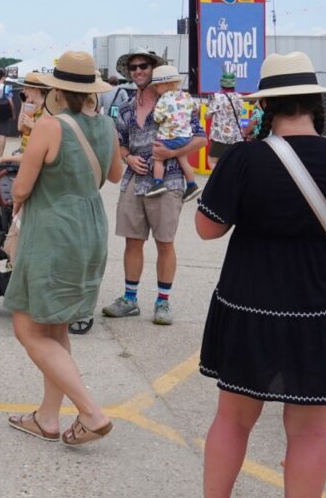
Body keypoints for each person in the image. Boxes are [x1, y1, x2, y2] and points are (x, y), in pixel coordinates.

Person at [195, 51, 326, 498]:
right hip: (324, 311)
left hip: (250, 306)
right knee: (307, 435)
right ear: (315, 104)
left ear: (267, 106)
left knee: (232, 420)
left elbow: (208, 229)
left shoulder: (243, 160)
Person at [3, 50, 124, 447]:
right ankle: (47, 418)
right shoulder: (107, 125)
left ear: (57, 89)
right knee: (54, 327)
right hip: (90, 227)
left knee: (27, 328)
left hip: (54, 230)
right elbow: (115, 173)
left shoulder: (50, 126)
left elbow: (20, 188)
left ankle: (91, 412)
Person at [101, 48, 207, 326]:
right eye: (133, 67)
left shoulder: (178, 103)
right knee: (132, 241)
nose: (138, 71)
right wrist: (128, 157)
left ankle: (163, 302)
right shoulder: (124, 108)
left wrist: (170, 154)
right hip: (134, 180)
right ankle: (130, 300)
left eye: (143, 66)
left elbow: (201, 139)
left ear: (154, 69)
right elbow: (121, 142)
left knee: (165, 242)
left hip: (169, 179)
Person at [144, 65, 200, 201]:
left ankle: (158, 183)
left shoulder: (163, 99)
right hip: (185, 137)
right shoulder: (186, 95)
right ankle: (192, 185)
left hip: (168, 138)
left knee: (158, 158)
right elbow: (196, 109)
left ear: (167, 84)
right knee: (183, 160)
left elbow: (157, 118)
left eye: (157, 86)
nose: (156, 89)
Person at [208, 72, 247, 168]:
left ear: (221, 84)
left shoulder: (217, 97)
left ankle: (219, 181)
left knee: (213, 161)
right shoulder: (240, 97)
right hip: (236, 136)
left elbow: (207, 116)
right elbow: (243, 115)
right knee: (233, 161)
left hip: (219, 136)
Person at [0, 69, 20, 157]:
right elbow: (11, 102)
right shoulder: (6, 87)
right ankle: (0, 156)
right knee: (2, 134)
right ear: (3, 77)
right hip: (3, 113)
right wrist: (13, 113)